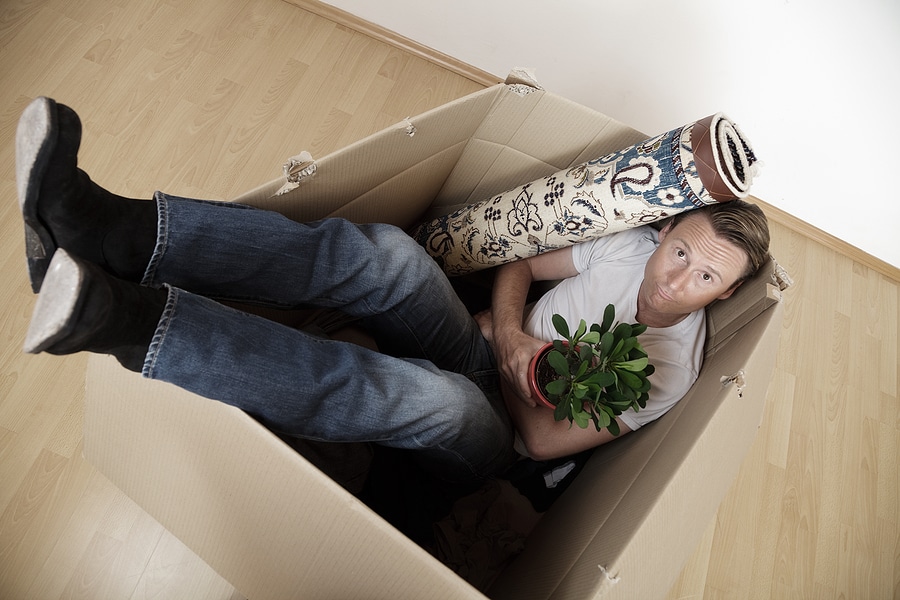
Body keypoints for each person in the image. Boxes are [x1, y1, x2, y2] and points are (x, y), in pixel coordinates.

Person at [16, 96, 770, 485]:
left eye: (706, 278)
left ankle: (122, 321)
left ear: (724, 295)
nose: (675, 277)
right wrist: (507, 334)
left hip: (499, 437)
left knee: (426, 398)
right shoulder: (629, 245)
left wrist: (508, 362)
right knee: (389, 257)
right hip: (487, 346)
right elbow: (520, 266)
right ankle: (106, 230)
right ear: (667, 232)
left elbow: (540, 439)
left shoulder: (669, 368)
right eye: (679, 250)